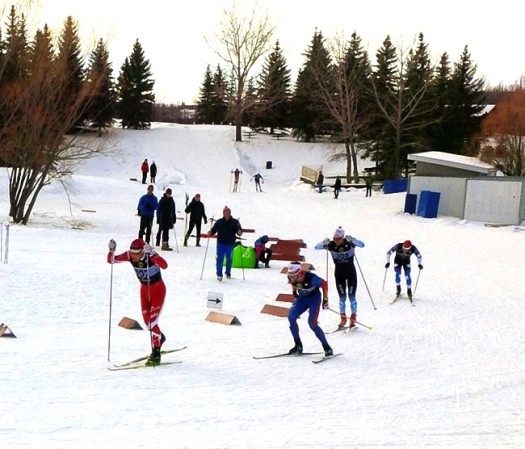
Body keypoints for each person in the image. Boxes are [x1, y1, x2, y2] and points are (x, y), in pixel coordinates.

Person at [107, 238, 168, 365]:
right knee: (148, 324)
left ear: (142, 251)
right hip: (144, 291)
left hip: (157, 290)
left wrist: (152, 253)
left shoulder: (149, 255)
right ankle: (160, 337)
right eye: (132, 253)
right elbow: (111, 260)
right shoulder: (129, 255)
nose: (133, 257)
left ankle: (156, 352)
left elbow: (164, 265)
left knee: (152, 323)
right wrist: (111, 250)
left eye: (136, 254)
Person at [315, 227, 365, 329]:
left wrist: (353, 240)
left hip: (351, 273)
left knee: (352, 297)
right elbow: (316, 247)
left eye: (338, 239)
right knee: (342, 298)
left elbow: (362, 245)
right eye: (335, 239)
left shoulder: (349, 243)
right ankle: (343, 317)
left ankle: (353, 317)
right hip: (339, 274)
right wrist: (324, 242)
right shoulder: (331, 245)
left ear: (343, 238)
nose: (336, 241)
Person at [286, 262, 333, 357]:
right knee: (291, 317)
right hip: (302, 299)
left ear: (300, 273)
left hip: (314, 299)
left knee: (312, 323)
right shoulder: (291, 277)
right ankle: (298, 345)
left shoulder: (311, 278)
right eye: (290, 275)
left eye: (294, 276)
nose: (292, 278)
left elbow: (324, 284)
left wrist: (325, 299)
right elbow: (292, 283)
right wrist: (294, 291)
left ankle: (327, 347)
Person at [208, 206, 242, 281]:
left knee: (229, 259)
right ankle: (219, 274)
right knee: (219, 259)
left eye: (229, 212)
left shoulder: (235, 222)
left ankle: (228, 273)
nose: (227, 214)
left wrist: (239, 232)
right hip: (221, 243)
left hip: (230, 244)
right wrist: (210, 232)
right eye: (226, 212)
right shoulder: (219, 222)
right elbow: (214, 230)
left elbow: (239, 231)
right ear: (223, 213)